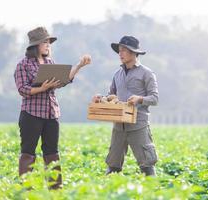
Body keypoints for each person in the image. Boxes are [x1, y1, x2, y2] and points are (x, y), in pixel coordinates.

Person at [14, 26, 91, 189]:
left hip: (51, 113)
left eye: (49, 42)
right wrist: (41, 88)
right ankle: (27, 188)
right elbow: (22, 89)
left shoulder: (50, 62)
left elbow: (62, 81)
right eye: (45, 42)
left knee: (52, 153)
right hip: (31, 114)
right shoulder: (23, 64)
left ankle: (55, 189)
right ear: (35, 45)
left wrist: (78, 67)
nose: (48, 45)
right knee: (28, 152)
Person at [93, 35, 159, 176]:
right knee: (112, 167)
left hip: (138, 125)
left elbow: (154, 98)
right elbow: (111, 95)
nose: (120, 53)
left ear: (134, 52)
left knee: (147, 166)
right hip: (119, 125)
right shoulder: (117, 74)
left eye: (124, 50)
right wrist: (101, 98)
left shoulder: (147, 73)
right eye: (119, 50)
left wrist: (139, 99)